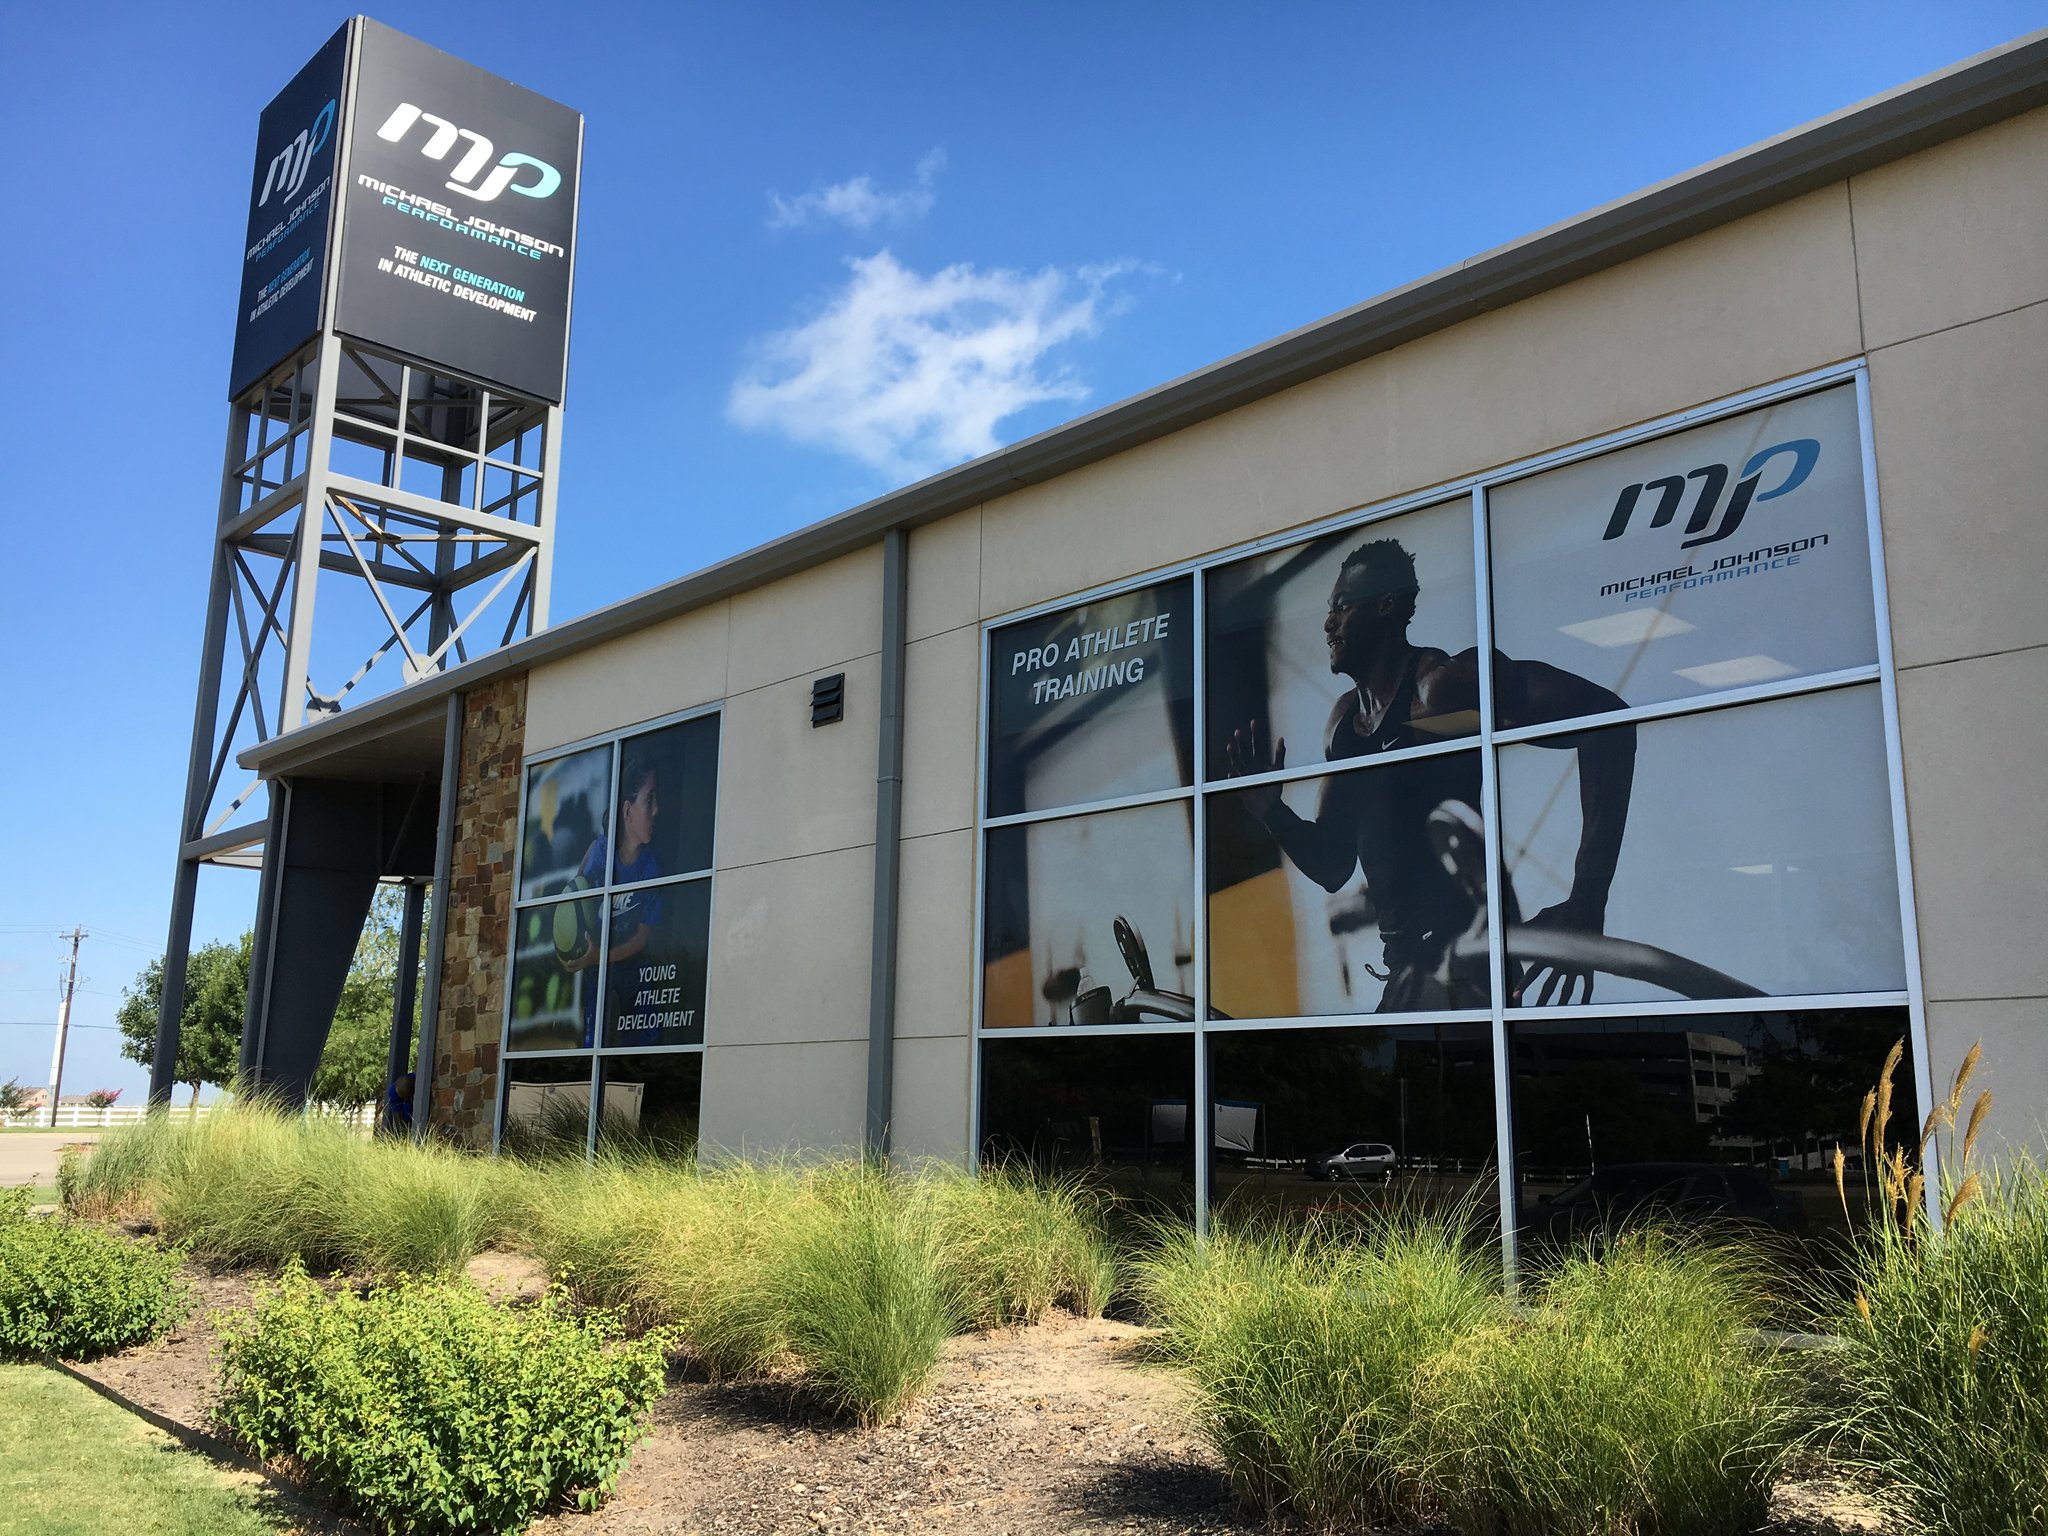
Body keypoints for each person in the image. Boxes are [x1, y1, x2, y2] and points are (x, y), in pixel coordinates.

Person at [1224, 537, 1635, 1008]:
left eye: (1341, 606)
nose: (1328, 622)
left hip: (1467, 967)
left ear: (1384, 606)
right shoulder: (1345, 726)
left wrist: (1588, 897)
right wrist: (1272, 812)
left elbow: (1606, 722)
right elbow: (1333, 866)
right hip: (1408, 972)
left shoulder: (1438, 693)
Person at [563, 754, 665, 1044]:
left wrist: (598, 956)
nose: (657, 810)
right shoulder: (599, 853)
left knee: (647, 1041)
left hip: (634, 966)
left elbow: (641, 939)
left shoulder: (652, 867)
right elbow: (571, 904)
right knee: (592, 1041)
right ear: (627, 811)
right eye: (649, 800)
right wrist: (576, 950)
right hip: (598, 970)